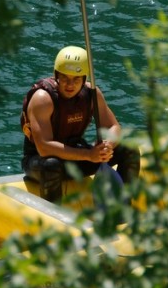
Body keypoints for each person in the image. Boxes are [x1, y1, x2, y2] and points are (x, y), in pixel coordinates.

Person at [20, 45, 140, 204]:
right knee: (51, 165)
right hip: (40, 162)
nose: (70, 85)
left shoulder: (92, 94)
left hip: (75, 154)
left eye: (76, 79)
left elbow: (114, 127)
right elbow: (44, 147)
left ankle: (123, 206)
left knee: (129, 148)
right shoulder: (43, 99)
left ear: (84, 79)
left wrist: (107, 146)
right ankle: (56, 218)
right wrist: (89, 155)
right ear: (56, 76)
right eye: (65, 78)